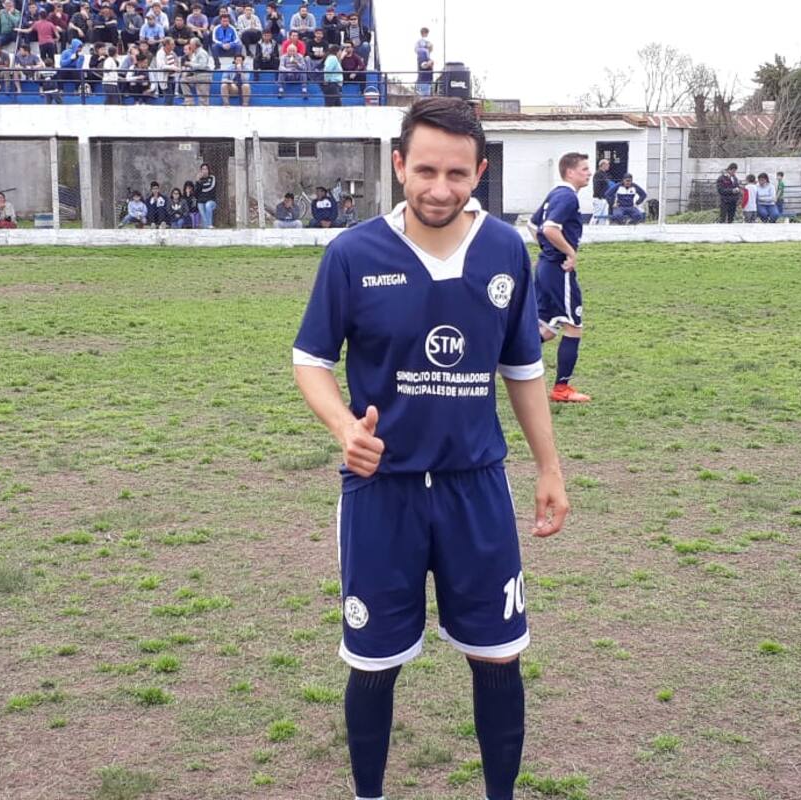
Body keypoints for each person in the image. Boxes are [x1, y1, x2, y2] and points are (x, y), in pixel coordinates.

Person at [292, 96, 568, 800]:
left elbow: (523, 370)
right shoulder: (353, 253)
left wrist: (549, 467)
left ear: (479, 172)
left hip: (474, 488)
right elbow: (310, 360)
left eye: (456, 173)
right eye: (424, 171)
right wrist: (343, 430)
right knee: (373, 663)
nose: (438, 188)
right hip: (381, 493)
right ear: (398, 166)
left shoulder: (506, 250)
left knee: (498, 658)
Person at [528, 152, 592, 403]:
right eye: (585, 169)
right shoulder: (567, 197)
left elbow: (533, 226)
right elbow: (549, 228)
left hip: (546, 266)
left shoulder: (555, 194)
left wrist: (546, 250)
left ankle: (495, 357)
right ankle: (561, 389)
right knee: (573, 326)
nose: (589, 173)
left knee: (547, 328)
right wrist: (568, 252)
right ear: (570, 172)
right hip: (558, 270)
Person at [181, 38, 212, 105]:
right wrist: (188, 72)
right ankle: (189, 100)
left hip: (203, 76)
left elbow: (202, 66)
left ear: (194, 45)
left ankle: (190, 101)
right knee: (183, 80)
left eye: (190, 44)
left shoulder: (201, 53)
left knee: (203, 99)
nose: (190, 46)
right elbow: (195, 65)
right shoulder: (196, 53)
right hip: (197, 75)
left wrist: (190, 64)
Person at [590, 158, 613, 223]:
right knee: (596, 215)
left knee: (604, 216)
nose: (609, 166)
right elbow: (596, 187)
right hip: (599, 199)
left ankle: (601, 230)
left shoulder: (604, 174)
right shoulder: (598, 174)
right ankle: (591, 228)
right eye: (607, 164)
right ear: (603, 165)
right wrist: (600, 197)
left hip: (604, 199)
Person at [195, 163, 216, 228]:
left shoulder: (212, 178)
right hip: (201, 202)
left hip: (211, 201)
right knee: (204, 219)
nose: (204, 171)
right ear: (201, 171)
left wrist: (202, 187)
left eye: (206, 169)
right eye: (203, 169)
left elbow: (211, 187)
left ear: (208, 170)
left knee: (208, 205)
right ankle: (207, 230)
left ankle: (209, 225)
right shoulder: (199, 180)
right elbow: (196, 193)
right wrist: (198, 181)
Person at [321, 42, 342, 106]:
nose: (341, 53)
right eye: (340, 51)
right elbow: (327, 70)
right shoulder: (333, 58)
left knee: (338, 105)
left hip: (335, 85)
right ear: (337, 51)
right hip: (332, 84)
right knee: (330, 104)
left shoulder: (333, 58)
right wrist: (326, 80)